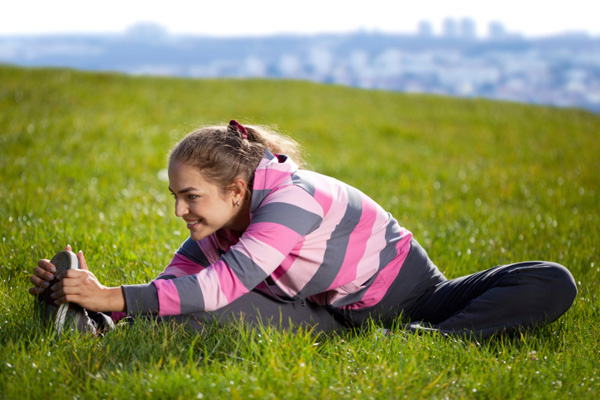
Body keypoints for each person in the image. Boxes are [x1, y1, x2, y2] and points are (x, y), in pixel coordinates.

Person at [29, 120, 577, 339]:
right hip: (329, 317)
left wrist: (111, 294)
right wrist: (101, 298)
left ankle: (429, 340)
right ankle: (90, 326)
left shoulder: (294, 198)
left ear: (236, 190)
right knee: (195, 310)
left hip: (414, 297)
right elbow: (178, 288)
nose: (180, 210)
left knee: (550, 279)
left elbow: (219, 283)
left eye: (189, 197)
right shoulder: (214, 223)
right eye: (175, 196)